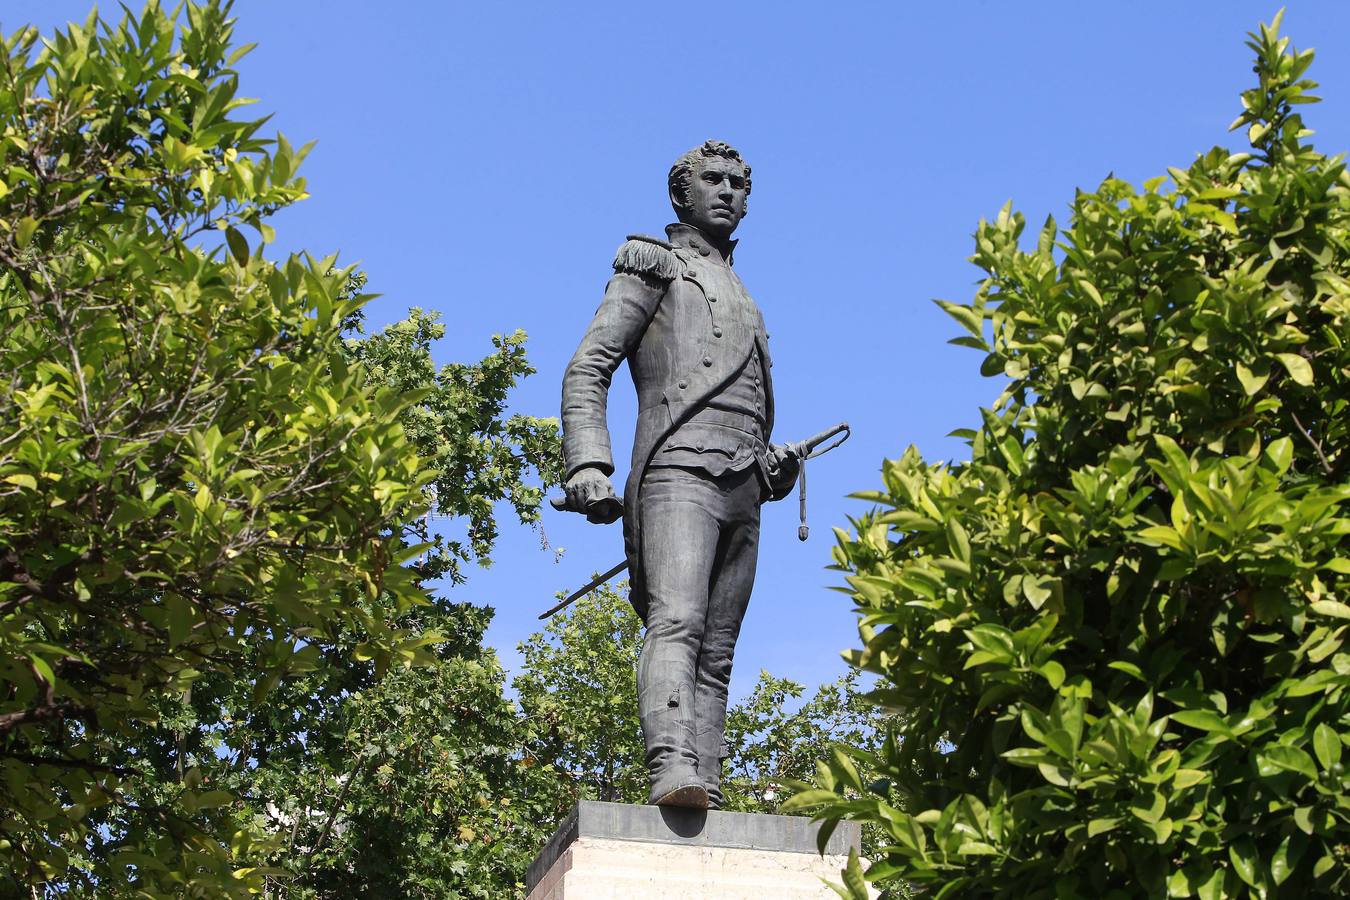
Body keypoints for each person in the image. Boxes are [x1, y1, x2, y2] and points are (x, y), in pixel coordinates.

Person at [560, 140, 799, 809]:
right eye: (714, 180)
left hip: (744, 484)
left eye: (740, 183)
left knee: (718, 652)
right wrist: (588, 462)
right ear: (681, 195)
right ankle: (670, 766)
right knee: (677, 623)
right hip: (677, 471)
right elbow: (588, 366)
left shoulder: (746, 295)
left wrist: (773, 467)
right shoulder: (653, 266)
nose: (728, 191)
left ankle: (707, 782)